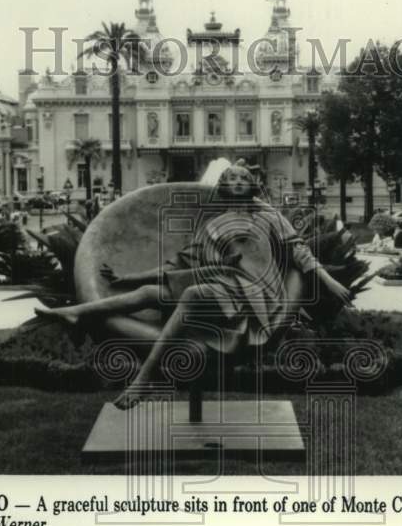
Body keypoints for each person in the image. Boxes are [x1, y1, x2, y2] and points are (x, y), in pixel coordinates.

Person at [35, 161, 352, 410]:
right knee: (149, 293)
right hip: (221, 285)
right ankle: (78, 312)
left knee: (192, 293)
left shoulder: (268, 217)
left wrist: (328, 280)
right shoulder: (212, 226)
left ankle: (145, 378)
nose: (237, 182)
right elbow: (179, 265)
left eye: (243, 178)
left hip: (255, 296)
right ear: (223, 185)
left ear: (252, 184)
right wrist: (129, 278)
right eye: (231, 178)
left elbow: (299, 251)